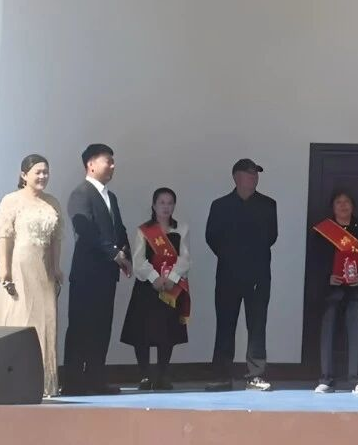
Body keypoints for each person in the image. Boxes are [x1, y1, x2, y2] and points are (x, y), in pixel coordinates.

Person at [0, 154, 64, 398]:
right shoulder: (11, 201)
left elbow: (56, 239)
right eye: (37, 172)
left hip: (44, 268)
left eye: (46, 172)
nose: (43, 176)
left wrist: (56, 267)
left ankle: (43, 383)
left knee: (45, 321)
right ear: (24, 175)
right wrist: (3, 268)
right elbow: (4, 235)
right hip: (20, 266)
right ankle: (13, 380)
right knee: (21, 319)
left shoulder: (52, 202)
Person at [64, 143, 131, 396]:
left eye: (113, 161)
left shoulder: (111, 197)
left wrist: (125, 255)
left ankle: (95, 379)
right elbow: (86, 231)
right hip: (87, 274)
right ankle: (73, 382)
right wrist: (114, 253)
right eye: (107, 161)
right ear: (91, 164)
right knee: (81, 327)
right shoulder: (80, 193)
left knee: (102, 328)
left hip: (106, 275)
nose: (112, 165)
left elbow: (119, 228)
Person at [205, 158, 277, 392]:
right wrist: (232, 256)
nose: (254, 177)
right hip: (228, 275)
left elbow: (271, 237)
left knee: (257, 326)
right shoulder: (220, 205)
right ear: (236, 177)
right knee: (225, 326)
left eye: (256, 174)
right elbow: (211, 237)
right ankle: (221, 376)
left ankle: (256, 375)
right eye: (249, 173)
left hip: (258, 276)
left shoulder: (268, 205)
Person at [120, 188, 190, 390]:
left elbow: (185, 259)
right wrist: (154, 278)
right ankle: (144, 375)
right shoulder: (144, 230)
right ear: (154, 205)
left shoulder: (182, 228)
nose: (166, 207)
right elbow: (138, 260)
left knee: (167, 332)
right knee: (142, 332)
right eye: (162, 203)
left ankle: (162, 375)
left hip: (170, 287)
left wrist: (172, 278)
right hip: (147, 288)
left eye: (170, 203)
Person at [311, 189, 358, 394]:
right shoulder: (323, 230)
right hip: (331, 290)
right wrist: (327, 277)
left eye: (346, 201)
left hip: (356, 290)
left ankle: (357, 379)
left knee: (357, 334)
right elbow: (315, 260)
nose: (343, 205)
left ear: (353, 205)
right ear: (332, 207)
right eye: (338, 202)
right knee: (328, 334)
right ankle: (326, 379)